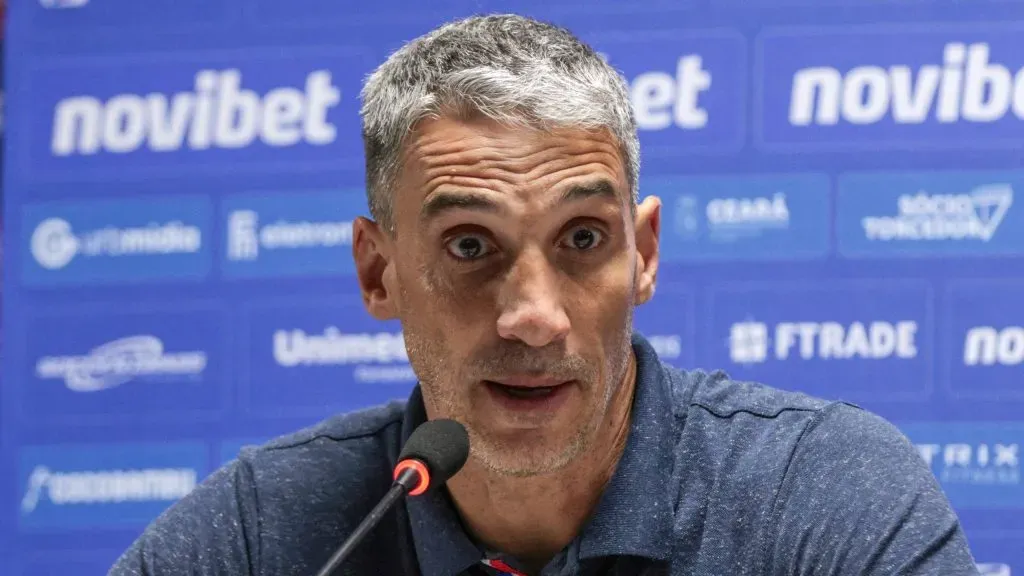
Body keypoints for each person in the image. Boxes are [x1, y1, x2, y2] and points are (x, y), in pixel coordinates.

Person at [109, 14, 982, 576]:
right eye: (470, 245)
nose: (534, 316)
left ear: (643, 255)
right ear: (379, 272)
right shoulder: (267, 532)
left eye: (583, 239)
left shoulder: (819, 494)